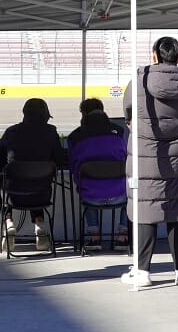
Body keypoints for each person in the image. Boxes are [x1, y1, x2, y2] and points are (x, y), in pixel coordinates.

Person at [120, 36, 178, 286]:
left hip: (145, 156)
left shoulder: (139, 81)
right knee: (176, 212)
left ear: (154, 55)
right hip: (177, 157)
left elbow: (128, 111)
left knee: (145, 210)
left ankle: (142, 272)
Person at [0, 98, 63, 252]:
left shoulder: (11, 132)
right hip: (42, 194)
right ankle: (39, 222)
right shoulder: (51, 132)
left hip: (14, 194)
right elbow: (60, 159)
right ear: (45, 115)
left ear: (24, 113)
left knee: (0, 183)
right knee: (35, 181)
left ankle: (8, 222)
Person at [67, 98, 128, 251]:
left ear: (84, 114)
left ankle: (94, 238)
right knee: (131, 192)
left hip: (90, 198)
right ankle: (123, 237)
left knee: (87, 184)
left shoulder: (75, 136)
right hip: (120, 196)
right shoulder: (120, 132)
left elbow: (74, 168)